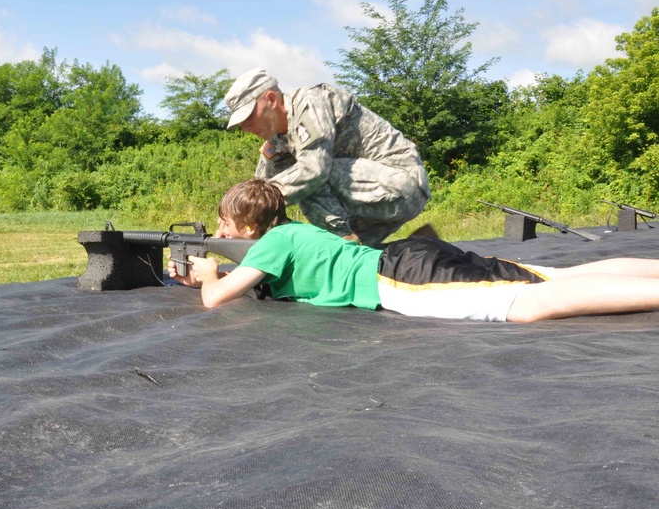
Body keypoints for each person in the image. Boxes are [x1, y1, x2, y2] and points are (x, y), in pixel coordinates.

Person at [169, 179, 659, 323]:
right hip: (410, 257)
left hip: (404, 280)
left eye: (225, 224)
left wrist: (208, 273)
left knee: (530, 304)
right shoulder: (294, 232)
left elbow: (216, 299)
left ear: (249, 226)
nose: (219, 229)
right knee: (555, 273)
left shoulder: (271, 244)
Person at [224, 68, 431, 248]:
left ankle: (343, 248)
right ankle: (425, 248)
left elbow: (314, 169)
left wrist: (246, 211)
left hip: (404, 183)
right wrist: (229, 219)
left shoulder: (309, 102)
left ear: (270, 99)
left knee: (305, 175)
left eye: (249, 115)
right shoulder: (275, 140)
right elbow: (258, 189)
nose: (245, 127)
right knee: (364, 255)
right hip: (367, 198)